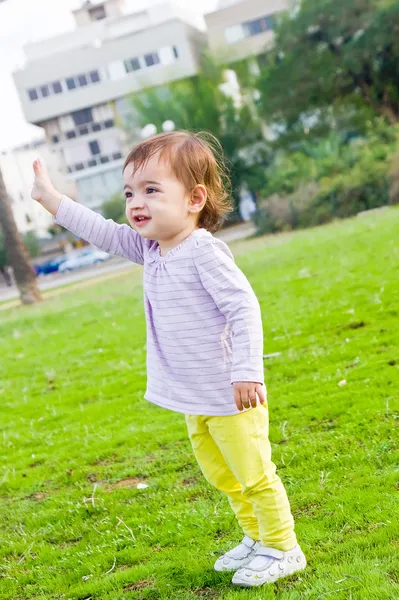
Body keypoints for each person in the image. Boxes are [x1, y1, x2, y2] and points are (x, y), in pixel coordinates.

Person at [31, 131, 306, 588]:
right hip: (194, 396)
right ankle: (257, 538)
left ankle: (284, 546)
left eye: (152, 190)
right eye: (130, 192)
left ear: (195, 198)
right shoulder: (151, 248)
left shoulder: (203, 252)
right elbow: (100, 230)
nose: (136, 202)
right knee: (223, 474)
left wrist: (246, 371)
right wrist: (52, 199)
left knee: (254, 473)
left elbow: (244, 307)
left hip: (230, 394)